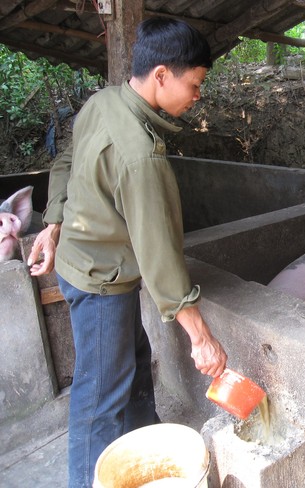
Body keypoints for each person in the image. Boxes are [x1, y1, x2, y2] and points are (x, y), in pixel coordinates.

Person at [28, 17, 228, 487]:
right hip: (102, 282)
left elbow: (66, 159)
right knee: (99, 401)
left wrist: (52, 224)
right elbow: (158, 255)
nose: (197, 96)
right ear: (161, 75)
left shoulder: (103, 101)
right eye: (194, 85)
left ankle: (146, 448)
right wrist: (199, 335)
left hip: (84, 262)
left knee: (133, 368)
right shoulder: (141, 155)